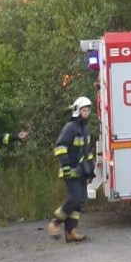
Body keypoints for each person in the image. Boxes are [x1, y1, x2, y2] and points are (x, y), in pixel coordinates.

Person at [48, 96, 95, 244]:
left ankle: (70, 232)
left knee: (80, 201)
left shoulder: (85, 129)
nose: (86, 113)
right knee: (74, 198)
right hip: (70, 169)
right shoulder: (71, 127)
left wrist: (91, 169)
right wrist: (66, 165)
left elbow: (87, 151)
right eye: (84, 110)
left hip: (81, 171)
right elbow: (60, 147)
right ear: (77, 111)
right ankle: (55, 223)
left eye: (88, 110)